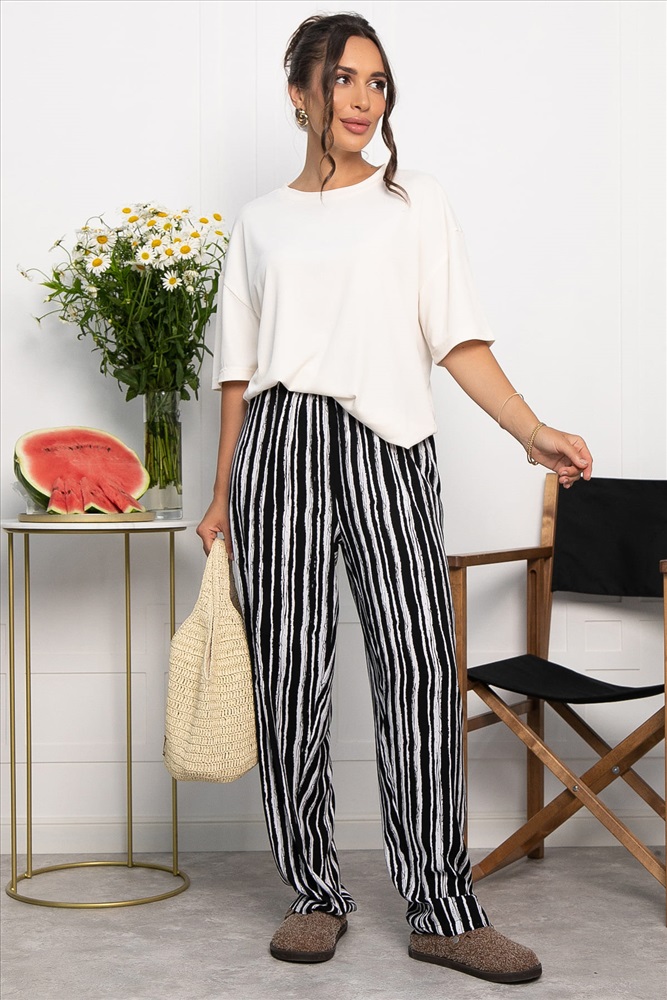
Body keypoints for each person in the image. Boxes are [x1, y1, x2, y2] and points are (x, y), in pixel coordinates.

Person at [197, 11, 592, 984]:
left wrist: (530, 429)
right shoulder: (258, 223)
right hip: (279, 446)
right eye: (344, 78)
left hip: (389, 445)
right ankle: (312, 893)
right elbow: (238, 374)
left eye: (377, 82)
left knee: (417, 667)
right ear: (301, 92)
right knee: (289, 674)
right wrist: (222, 493)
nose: (363, 99)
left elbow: (457, 338)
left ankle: (442, 909)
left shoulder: (414, 202)